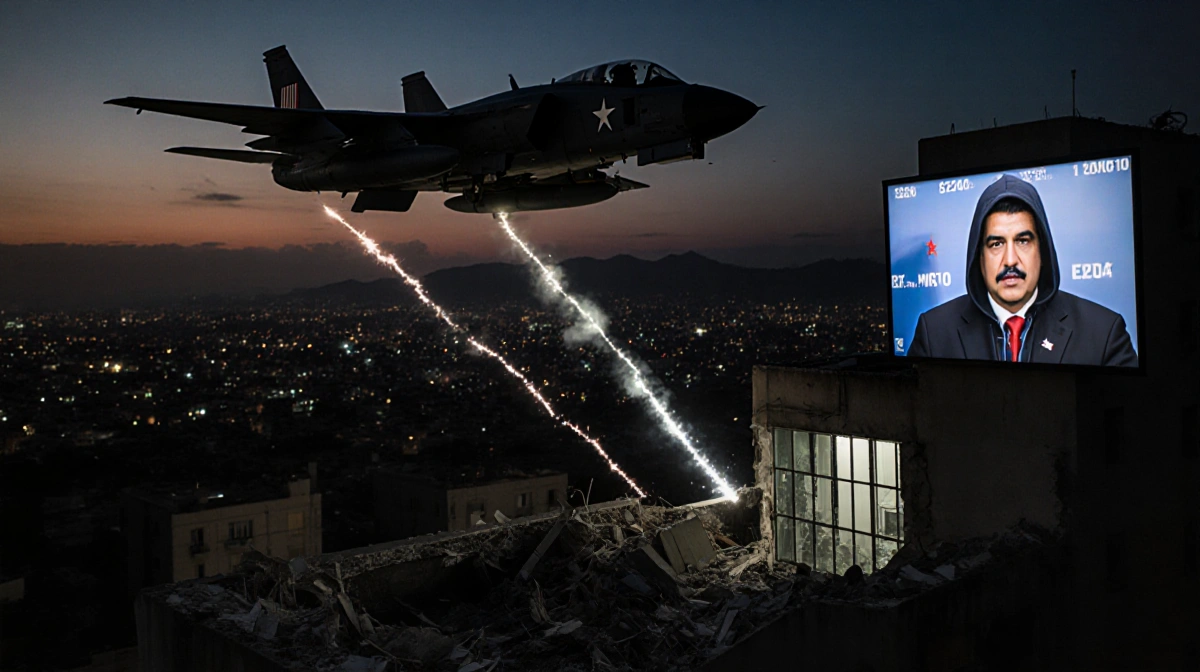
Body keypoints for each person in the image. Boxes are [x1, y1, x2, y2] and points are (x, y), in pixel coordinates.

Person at [906, 174, 1138, 366]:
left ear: (1043, 251)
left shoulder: (1104, 333)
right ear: (979, 258)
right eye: (996, 244)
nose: (1010, 261)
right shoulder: (934, 333)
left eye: (1023, 241)